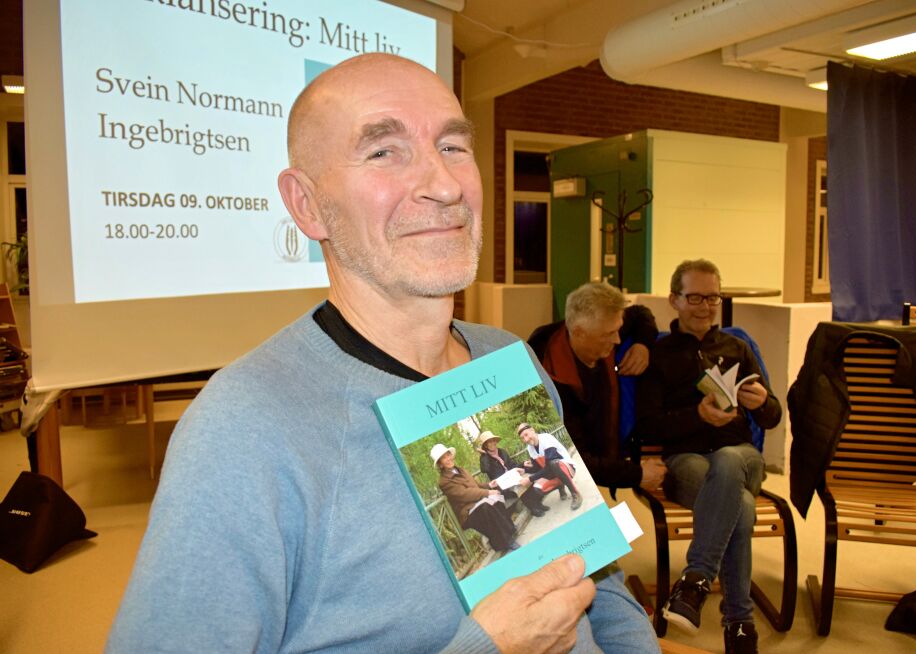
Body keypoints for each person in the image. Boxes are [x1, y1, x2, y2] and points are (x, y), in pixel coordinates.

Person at [107, 54, 659, 654]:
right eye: (382, 151)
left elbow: (597, 578)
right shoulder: (243, 428)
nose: (445, 185)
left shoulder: (509, 360)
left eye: (452, 146)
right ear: (307, 205)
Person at [632, 259, 782, 654]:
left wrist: (764, 401)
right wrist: (695, 415)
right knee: (742, 506)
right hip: (686, 461)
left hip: (742, 457)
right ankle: (739, 623)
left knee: (731, 461)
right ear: (674, 300)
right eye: (695, 297)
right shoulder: (658, 355)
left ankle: (696, 580)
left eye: (713, 296)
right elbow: (647, 427)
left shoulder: (737, 347)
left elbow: (772, 417)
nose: (706, 305)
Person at [528, 282, 665, 492]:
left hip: (612, 458)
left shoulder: (605, 324)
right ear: (579, 332)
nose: (617, 339)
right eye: (608, 334)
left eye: (618, 330)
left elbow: (640, 314)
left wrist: (642, 345)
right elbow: (577, 459)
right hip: (583, 477)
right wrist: (638, 474)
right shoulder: (549, 375)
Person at [434, 443, 519, 552]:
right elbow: (465, 494)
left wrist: (489, 485)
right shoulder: (444, 482)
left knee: (496, 496)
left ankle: (509, 531)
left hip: (476, 503)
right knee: (486, 507)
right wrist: (487, 492)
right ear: (440, 464)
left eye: (448, 455)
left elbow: (476, 486)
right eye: (444, 458)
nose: (448, 459)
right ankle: (507, 542)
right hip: (467, 512)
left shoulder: (461, 470)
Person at [477, 430, 548, 517]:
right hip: (502, 484)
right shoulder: (485, 458)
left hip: (512, 477)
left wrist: (522, 464)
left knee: (526, 480)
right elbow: (485, 469)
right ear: (485, 445)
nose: (493, 443)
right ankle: (533, 508)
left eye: (493, 440)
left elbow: (512, 465)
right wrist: (484, 455)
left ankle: (538, 504)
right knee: (520, 485)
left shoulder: (501, 451)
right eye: (489, 442)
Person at [517, 422, 583, 510]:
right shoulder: (530, 448)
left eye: (526, 434)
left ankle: (575, 494)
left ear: (532, 430)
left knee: (554, 464)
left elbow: (549, 466)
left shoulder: (546, 439)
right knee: (538, 489)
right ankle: (560, 485)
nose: (526, 439)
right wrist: (525, 470)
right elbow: (537, 467)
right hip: (552, 472)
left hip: (566, 468)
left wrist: (530, 479)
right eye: (522, 438)